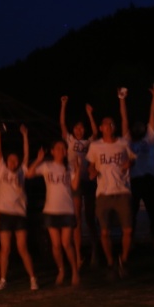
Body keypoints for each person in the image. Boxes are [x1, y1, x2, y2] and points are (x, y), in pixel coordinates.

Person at [86, 104, 137, 277]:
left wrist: (129, 163)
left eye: (112, 124)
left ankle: (124, 260)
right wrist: (92, 171)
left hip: (122, 191)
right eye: (106, 124)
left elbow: (133, 158)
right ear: (101, 128)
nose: (109, 127)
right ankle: (109, 262)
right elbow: (91, 165)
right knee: (105, 232)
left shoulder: (123, 143)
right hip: (104, 193)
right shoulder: (95, 146)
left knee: (128, 230)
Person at [27, 139, 81, 285]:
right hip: (51, 210)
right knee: (56, 244)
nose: (61, 151)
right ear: (52, 151)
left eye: (63, 148)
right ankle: (61, 270)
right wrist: (38, 160)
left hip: (67, 209)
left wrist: (78, 170)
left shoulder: (69, 167)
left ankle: (74, 271)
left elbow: (75, 186)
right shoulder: (47, 166)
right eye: (58, 148)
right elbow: (29, 174)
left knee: (66, 243)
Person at [0, 124, 38, 291]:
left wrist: (24, 136)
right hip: (5, 213)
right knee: (5, 249)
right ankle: (3, 280)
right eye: (10, 160)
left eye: (15, 160)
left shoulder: (21, 171)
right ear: (6, 161)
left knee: (22, 248)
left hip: (19, 214)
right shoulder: (1, 169)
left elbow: (26, 155)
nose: (13, 162)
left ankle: (33, 279)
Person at [59, 96, 99, 267]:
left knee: (90, 217)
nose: (79, 130)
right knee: (76, 217)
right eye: (76, 127)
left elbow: (95, 132)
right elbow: (62, 124)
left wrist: (90, 114)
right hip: (75, 181)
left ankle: (95, 250)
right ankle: (78, 254)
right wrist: (63, 105)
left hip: (88, 180)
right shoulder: (70, 140)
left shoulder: (88, 142)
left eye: (81, 128)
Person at [124, 83, 154, 251]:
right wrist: (122, 100)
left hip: (149, 178)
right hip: (134, 179)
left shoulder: (150, 138)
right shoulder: (128, 141)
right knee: (132, 212)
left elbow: (152, 115)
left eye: (141, 125)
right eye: (136, 126)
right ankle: (130, 241)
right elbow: (124, 120)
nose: (139, 127)